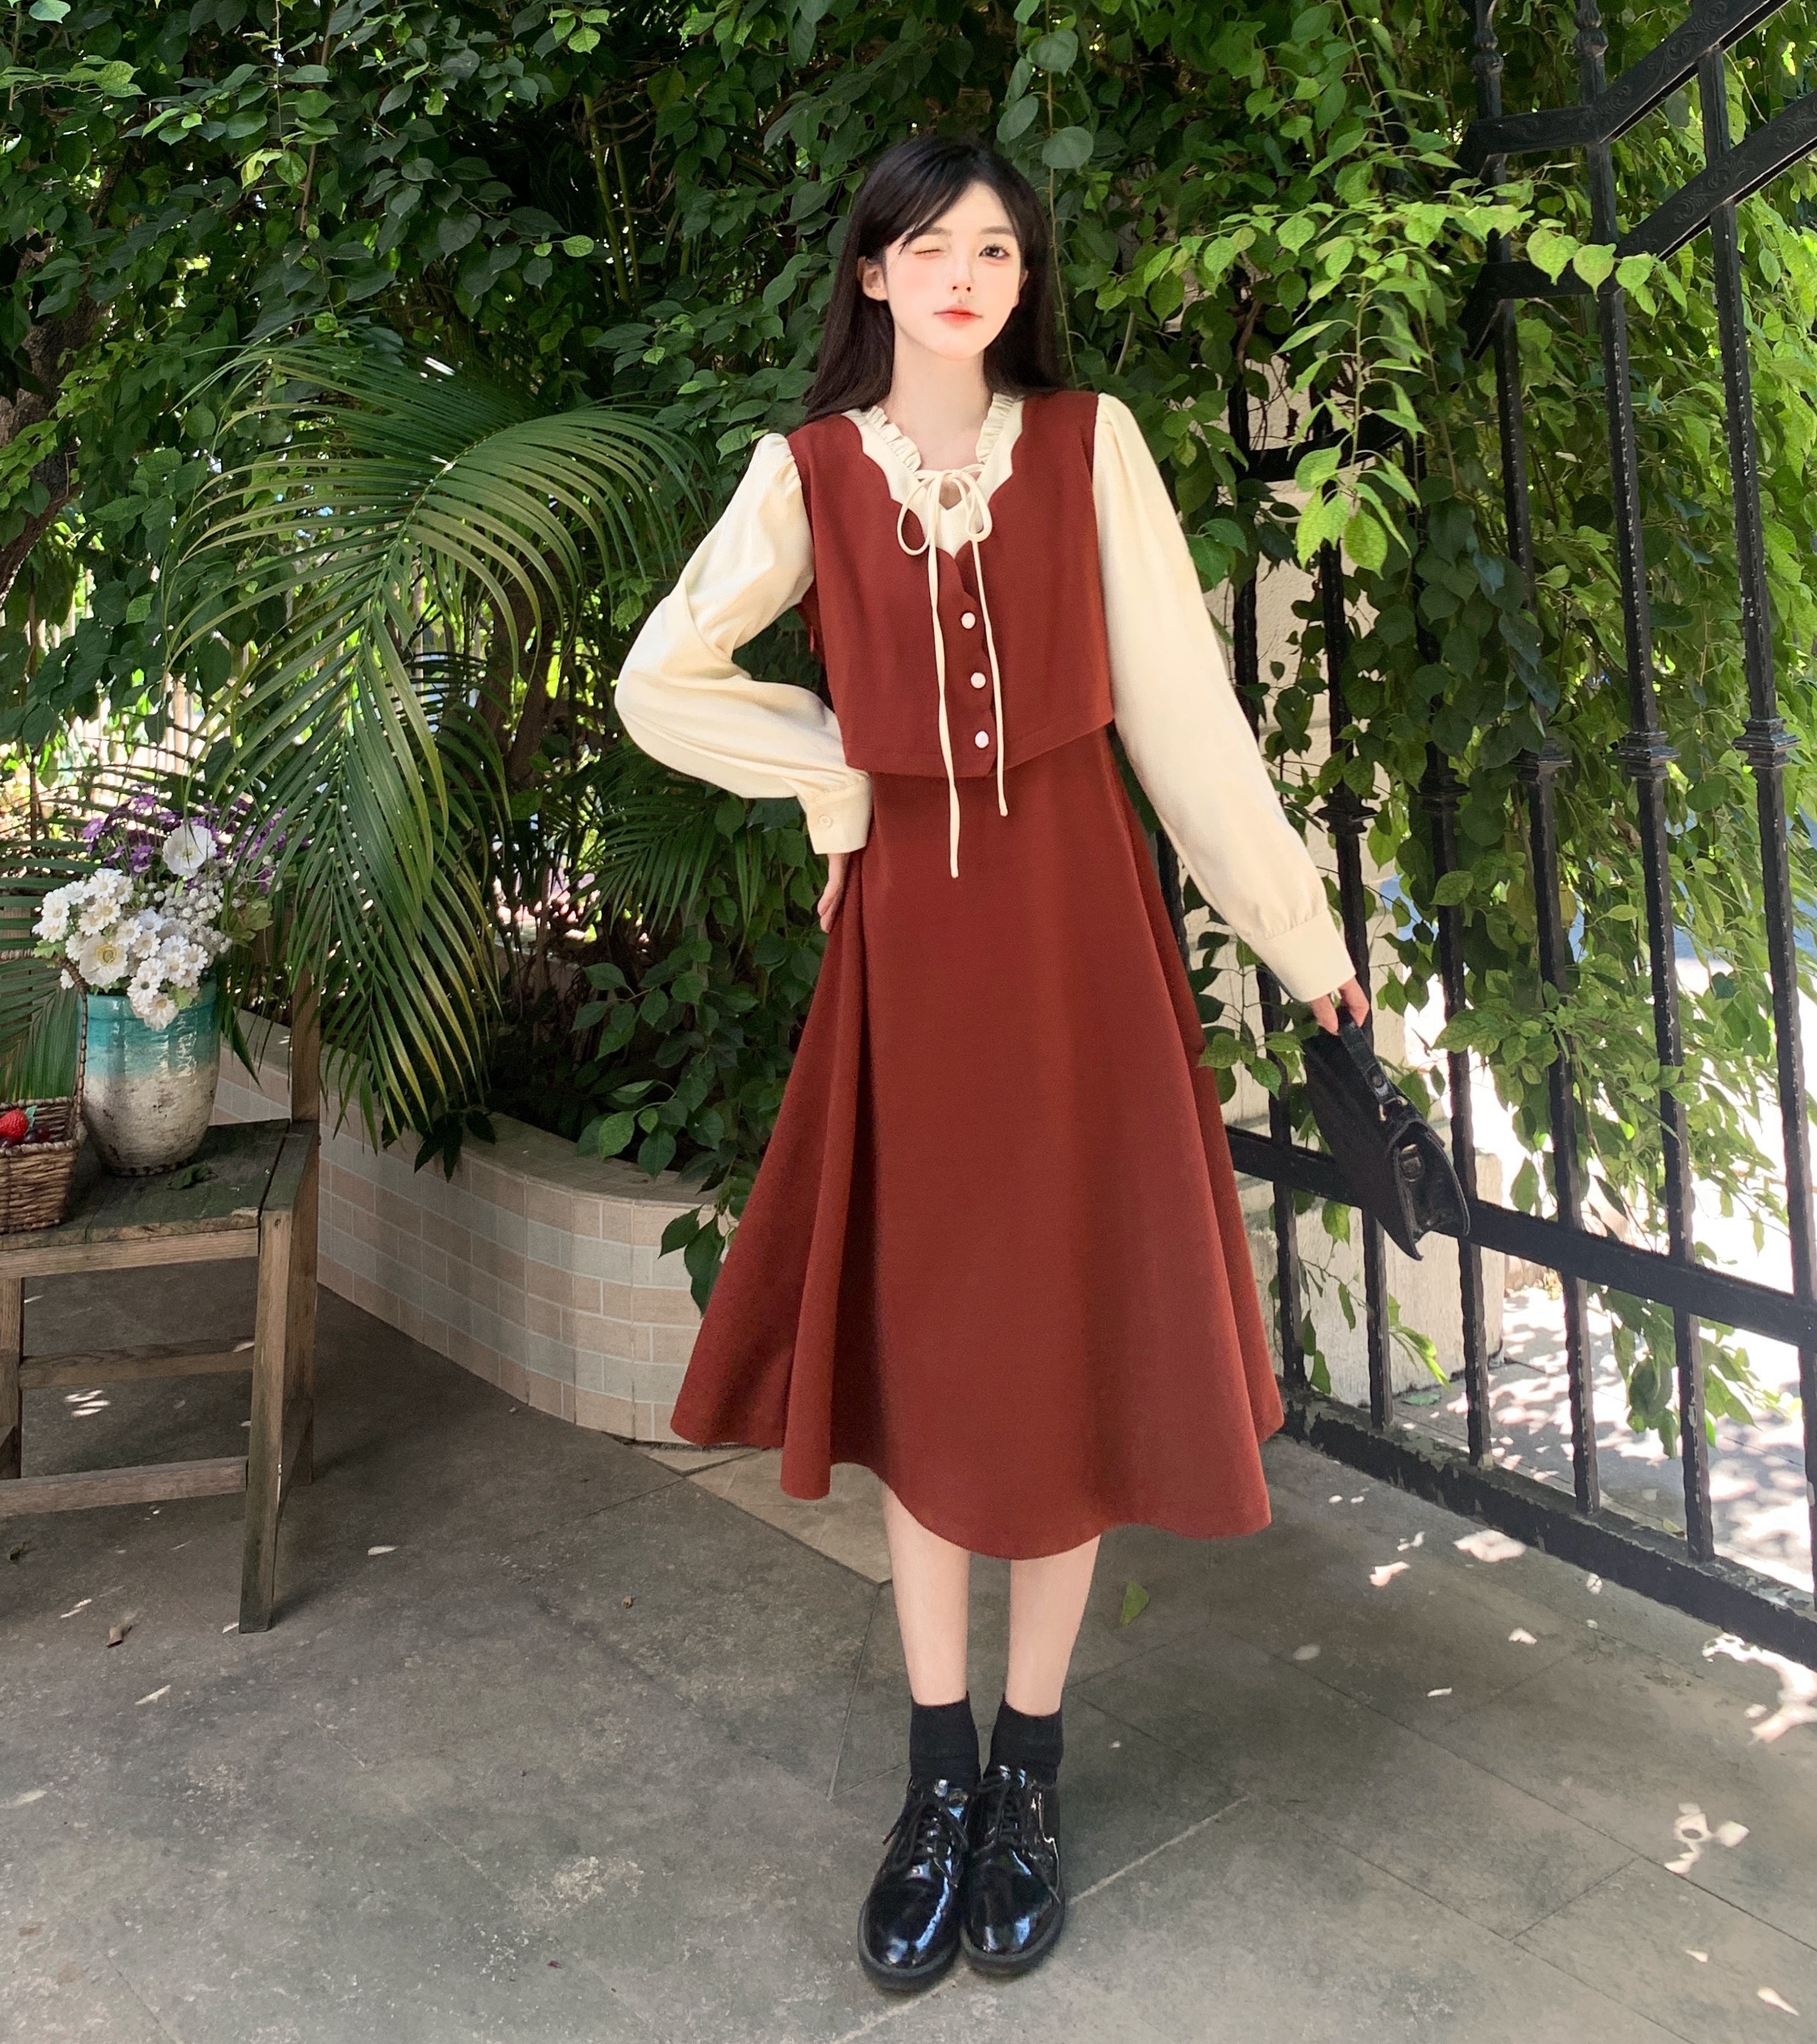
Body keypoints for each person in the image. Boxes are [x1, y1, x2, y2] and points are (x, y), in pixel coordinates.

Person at [614, 133, 1367, 1990]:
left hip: (1076, 929)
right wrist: (839, 779)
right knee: (935, 1347)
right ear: (871, 271)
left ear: (1023, 283)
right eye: (932, 246)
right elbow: (658, 681)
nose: (966, 274)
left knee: (1064, 1331)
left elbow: (1183, 721)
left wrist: (1306, 946)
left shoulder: (1089, 446)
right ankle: (934, 1771)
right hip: (917, 954)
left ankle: (1028, 1765)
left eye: (999, 251)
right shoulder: (805, 473)